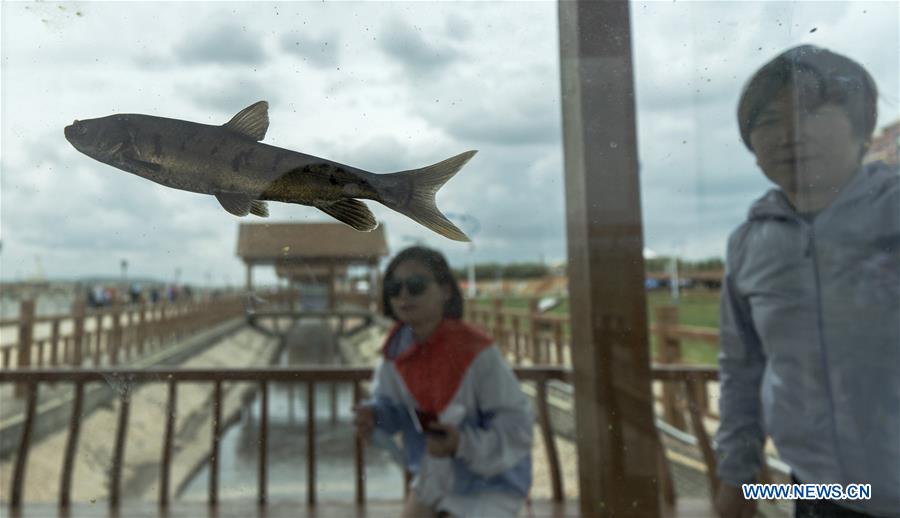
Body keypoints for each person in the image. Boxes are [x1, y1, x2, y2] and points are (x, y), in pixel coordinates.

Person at [714, 45, 899, 518]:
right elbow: (742, 367)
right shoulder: (748, 245)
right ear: (751, 148)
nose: (790, 134)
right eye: (770, 121)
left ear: (862, 128)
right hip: (820, 493)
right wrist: (738, 479)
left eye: (813, 112)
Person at [353, 246, 533, 518]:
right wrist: (373, 416)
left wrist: (461, 443)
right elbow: (392, 410)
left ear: (446, 291)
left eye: (415, 285)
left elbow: (517, 430)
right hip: (432, 477)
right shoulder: (395, 352)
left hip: (491, 484)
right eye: (393, 287)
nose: (403, 294)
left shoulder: (477, 353)